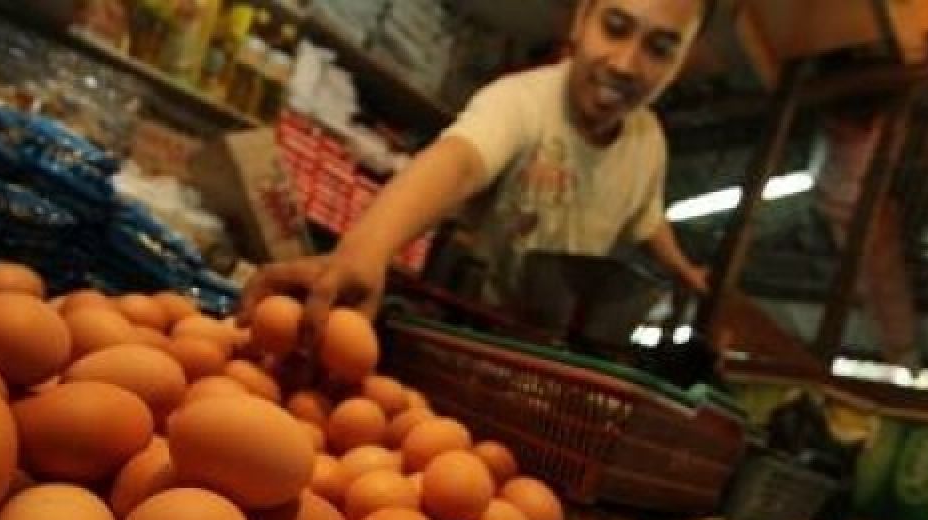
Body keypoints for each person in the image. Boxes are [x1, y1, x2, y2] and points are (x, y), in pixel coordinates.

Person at [244, 0, 714, 331]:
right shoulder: (523, 102)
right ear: (581, 19)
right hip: (468, 330)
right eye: (614, 27)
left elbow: (647, 219)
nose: (627, 64)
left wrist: (684, 270)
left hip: (546, 350)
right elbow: (461, 161)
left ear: (681, 62)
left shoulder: (648, 141)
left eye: (659, 48)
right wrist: (366, 249)